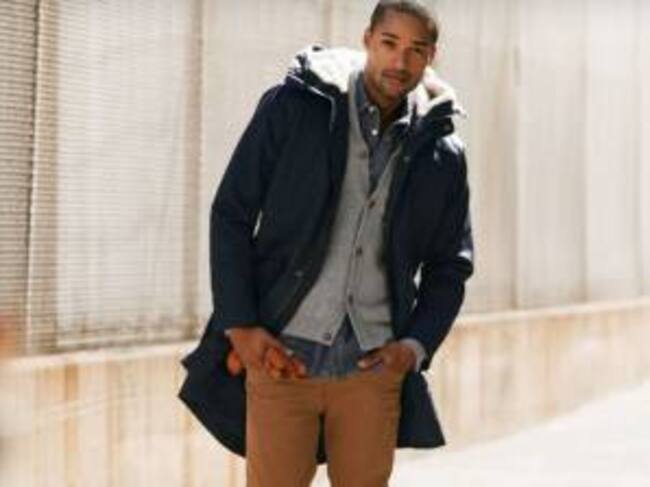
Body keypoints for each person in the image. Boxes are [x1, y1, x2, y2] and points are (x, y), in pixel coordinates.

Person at [178, 1, 474, 485]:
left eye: (415, 50)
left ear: (431, 57)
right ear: (367, 40)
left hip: (372, 368)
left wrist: (413, 347)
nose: (400, 62)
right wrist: (241, 327)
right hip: (281, 357)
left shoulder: (441, 151)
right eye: (389, 43)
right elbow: (232, 212)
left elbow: (450, 265)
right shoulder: (296, 107)